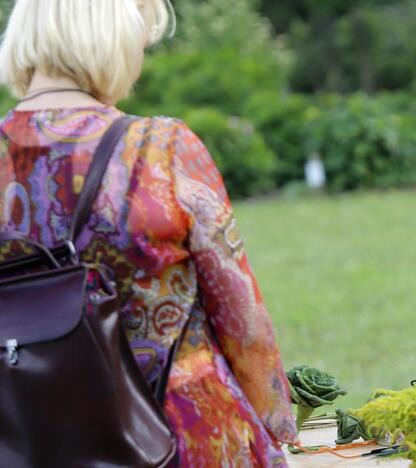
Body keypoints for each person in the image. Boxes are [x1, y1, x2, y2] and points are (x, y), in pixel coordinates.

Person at [0, 0, 297, 465]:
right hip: (182, 430)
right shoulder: (162, 150)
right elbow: (243, 320)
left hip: (35, 435)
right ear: (111, 36)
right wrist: (276, 425)